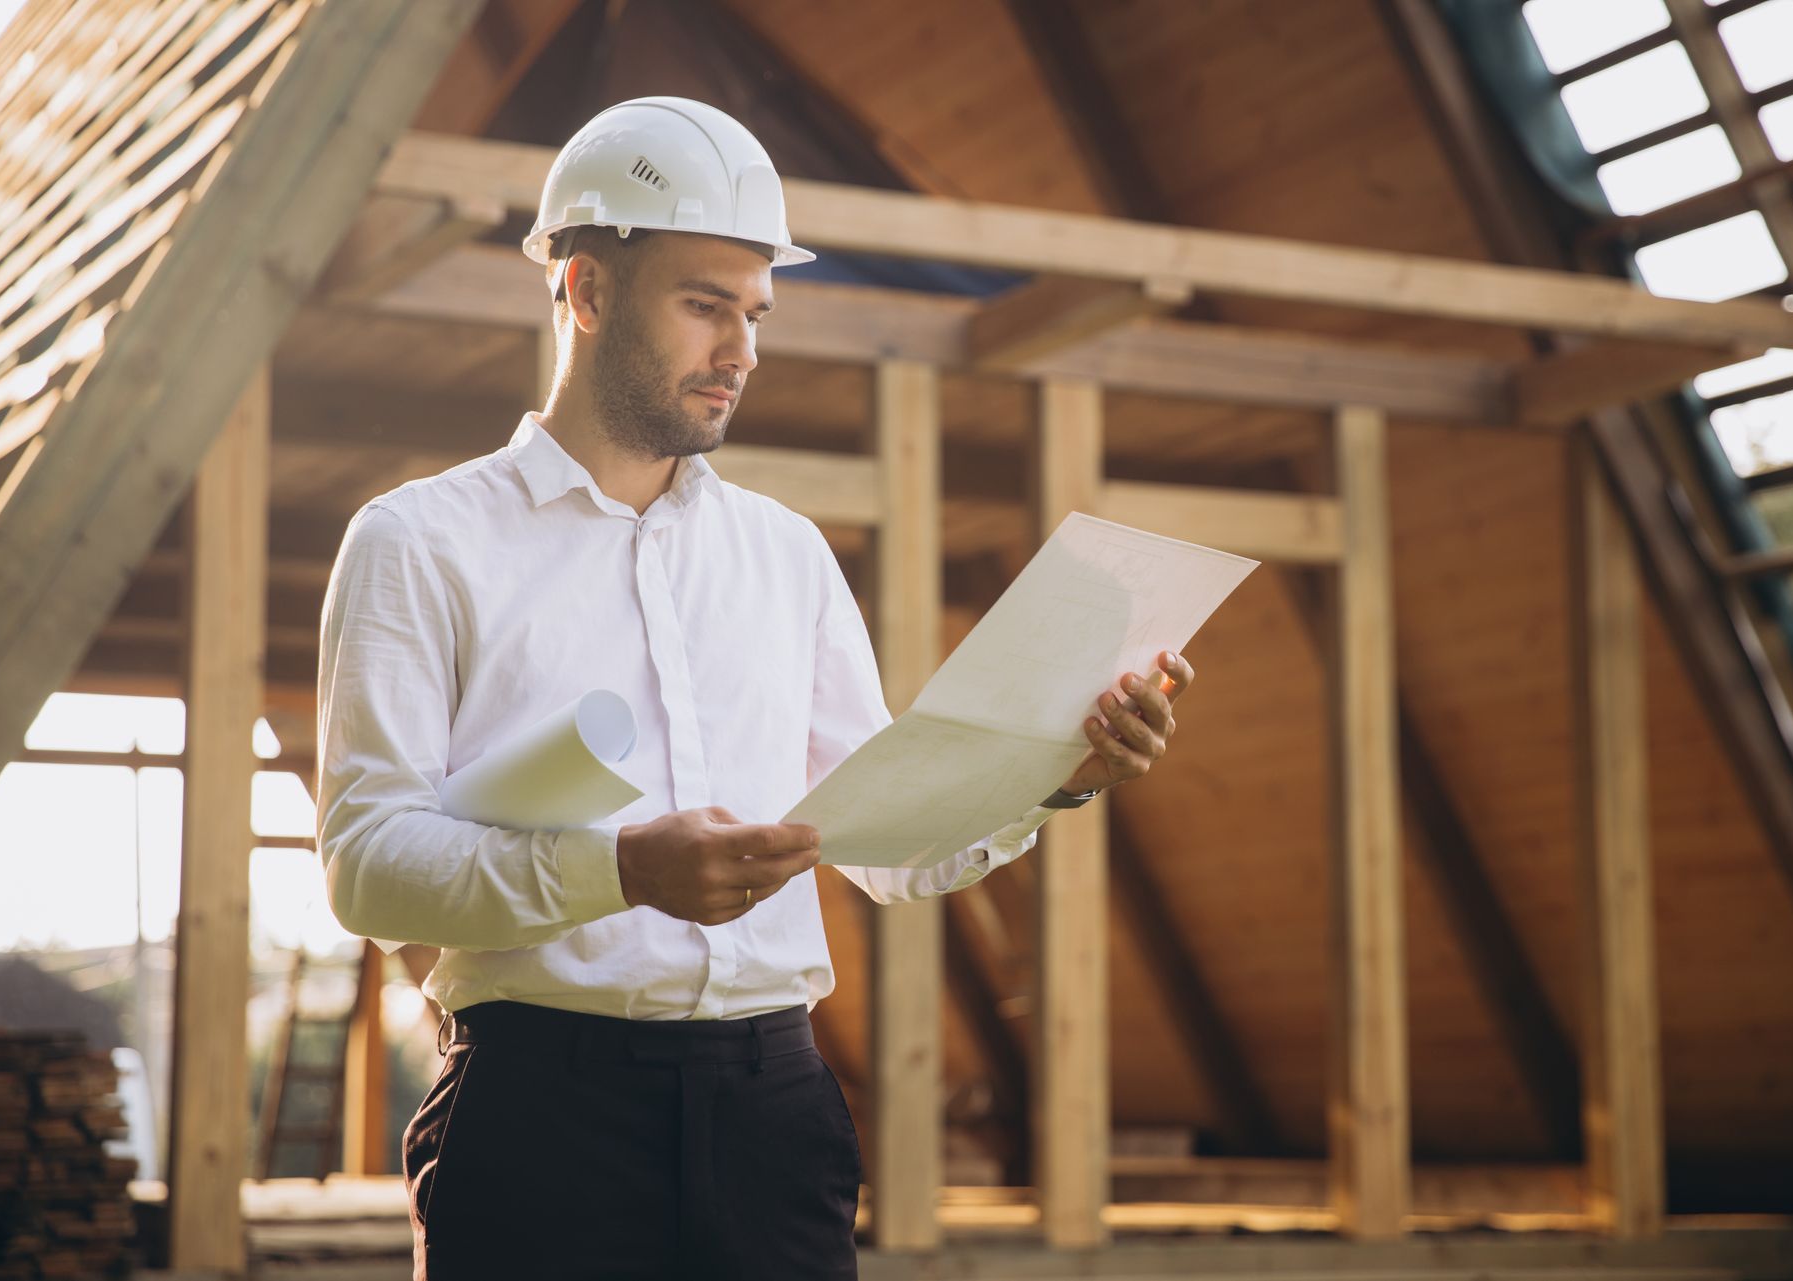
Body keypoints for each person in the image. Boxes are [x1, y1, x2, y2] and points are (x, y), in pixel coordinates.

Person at [314, 96, 1195, 1281]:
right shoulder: (419, 543)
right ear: (582, 290)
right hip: (538, 1123)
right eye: (704, 306)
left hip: (775, 1118)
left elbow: (885, 845)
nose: (743, 351)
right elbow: (368, 871)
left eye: (756, 312)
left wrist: (1059, 773)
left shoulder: (786, 556)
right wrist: (622, 871)